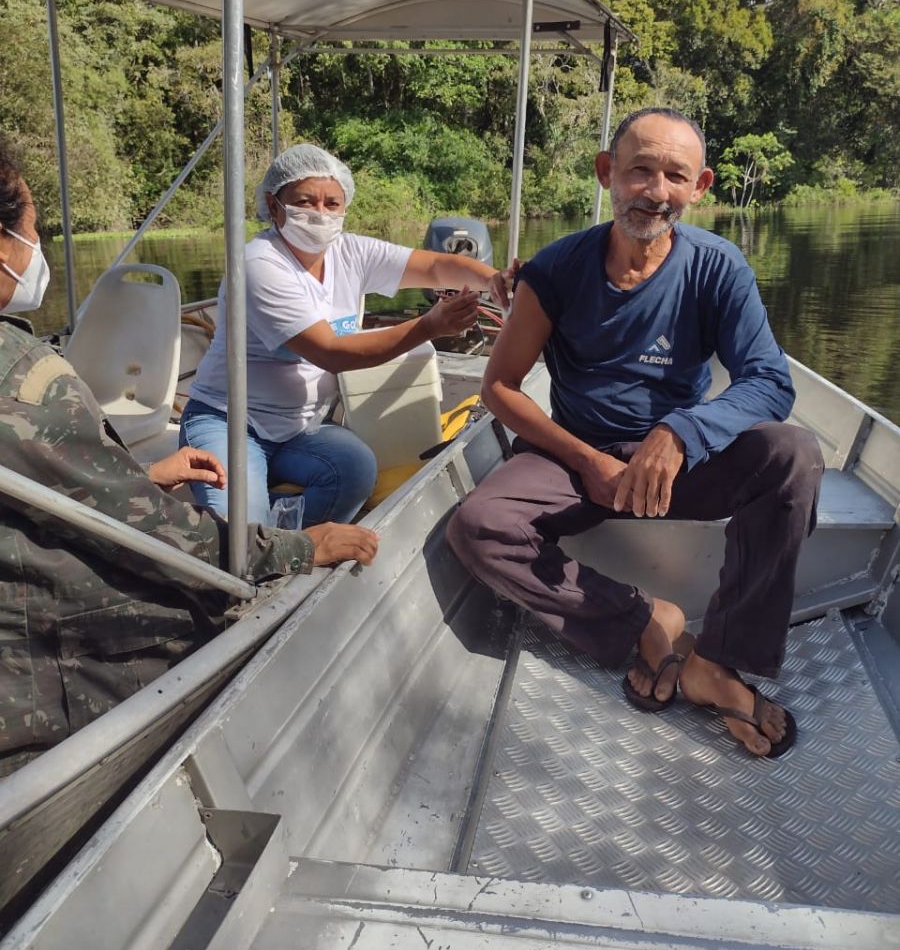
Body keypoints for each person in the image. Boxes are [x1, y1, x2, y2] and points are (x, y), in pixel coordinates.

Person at [447, 108, 824, 759]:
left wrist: (682, 433)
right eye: (640, 170)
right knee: (477, 526)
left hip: (677, 465)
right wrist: (589, 460)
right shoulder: (558, 270)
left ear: (699, 186)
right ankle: (644, 620)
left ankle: (718, 661)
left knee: (794, 455)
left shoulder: (717, 268)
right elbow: (500, 387)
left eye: (675, 175)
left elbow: (768, 380)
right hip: (576, 457)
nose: (656, 189)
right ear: (607, 174)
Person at [0, 149, 378, 775]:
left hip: (274, 439)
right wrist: (301, 549)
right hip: (36, 673)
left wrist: (139, 477)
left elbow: (30, 487)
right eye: (34, 229)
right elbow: (166, 543)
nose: (36, 245)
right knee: (230, 597)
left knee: (351, 464)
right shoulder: (27, 378)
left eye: (331, 202)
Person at [180, 144, 513, 526]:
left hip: (300, 429)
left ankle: (274, 526)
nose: (320, 214)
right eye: (306, 201)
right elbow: (332, 352)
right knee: (238, 538)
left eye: (332, 204)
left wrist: (492, 279)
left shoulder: (350, 252)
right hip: (229, 422)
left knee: (355, 469)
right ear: (274, 206)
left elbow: (436, 266)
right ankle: (258, 528)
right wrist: (429, 326)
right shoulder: (258, 265)